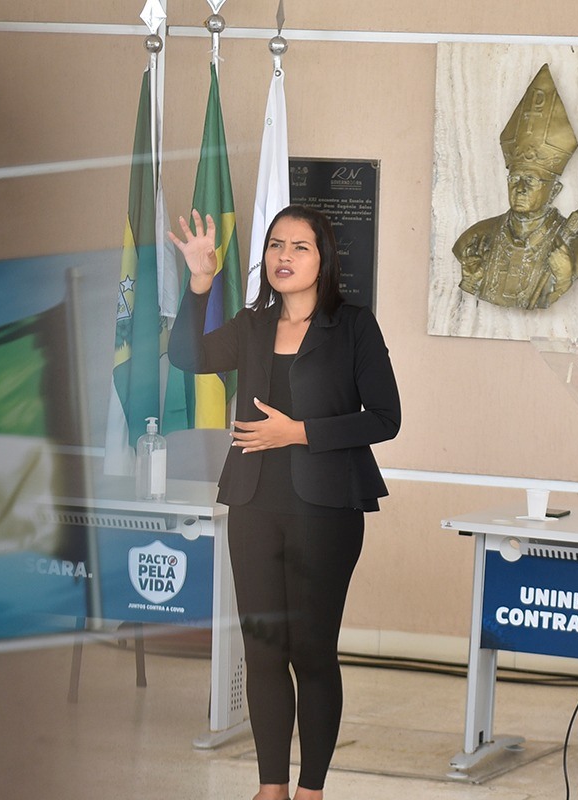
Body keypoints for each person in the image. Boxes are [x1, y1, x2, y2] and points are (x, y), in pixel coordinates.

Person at [167, 204, 401, 800]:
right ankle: (270, 787)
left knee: (311, 650)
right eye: (276, 245)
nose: (284, 256)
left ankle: (310, 790)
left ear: (324, 259)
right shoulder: (252, 324)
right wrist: (200, 282)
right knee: (264, 649)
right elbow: (188, 357)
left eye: (299, 246)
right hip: (253, 502)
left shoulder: (353, 326)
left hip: (326, 508)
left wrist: (298, 432)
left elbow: (385, 418)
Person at [452, 63, 578, 309]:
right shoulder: (477, 237)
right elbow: (473, 287)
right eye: (514, 179)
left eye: (531, 180)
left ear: (554, 191)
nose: (520, 188)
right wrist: (472, 281)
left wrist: (563, 278)